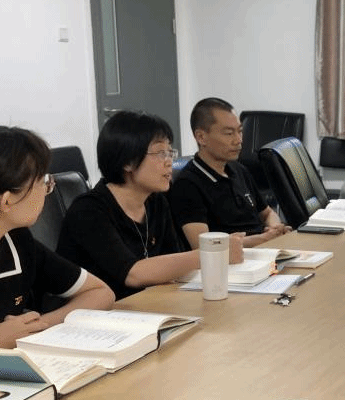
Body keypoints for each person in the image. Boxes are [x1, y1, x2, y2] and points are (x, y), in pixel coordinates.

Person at [0, 125, 114, 347]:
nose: (47, 189)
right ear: (7, 200)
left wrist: (34, 328)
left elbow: (100, 292)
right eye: (42, 182)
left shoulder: (16, 240)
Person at [57, 111, 244, 300]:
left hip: (149, 303)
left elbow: (174, 264)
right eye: (161, 153)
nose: (169, 162)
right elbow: (133, 274)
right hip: (103, 312)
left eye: (170, 152)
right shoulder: (88, 211)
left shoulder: (156, 202)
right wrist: (213, 253)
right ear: (128, 162)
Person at [168, 98, 289, 248]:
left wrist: (274, 228)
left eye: (240, 131)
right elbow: (203, 246)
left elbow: (267, 213)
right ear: (201, 137)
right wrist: (264, 239)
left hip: (265, 250)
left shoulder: (239, 170)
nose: (238, 140)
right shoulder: (188, 185)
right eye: (229, 133)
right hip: (234, 259)